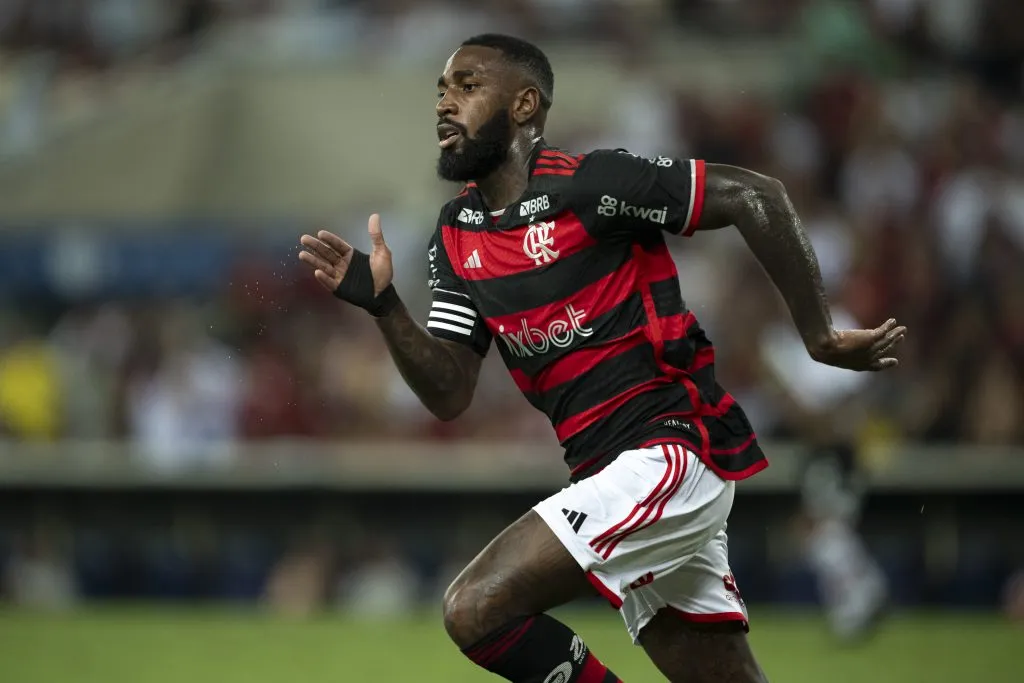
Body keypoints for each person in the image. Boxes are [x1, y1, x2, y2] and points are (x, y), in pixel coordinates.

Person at [298, 34, 907, 683]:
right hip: (607, 472)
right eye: (441, 90)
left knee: (476, 607)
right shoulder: (456, 234)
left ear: (525, 104)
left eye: (468, 86)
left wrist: (818, 336)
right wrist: (386, 307)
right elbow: (449, 390)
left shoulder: (593, 185)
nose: (446, 103)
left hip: (669, 451)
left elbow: (754, 196)